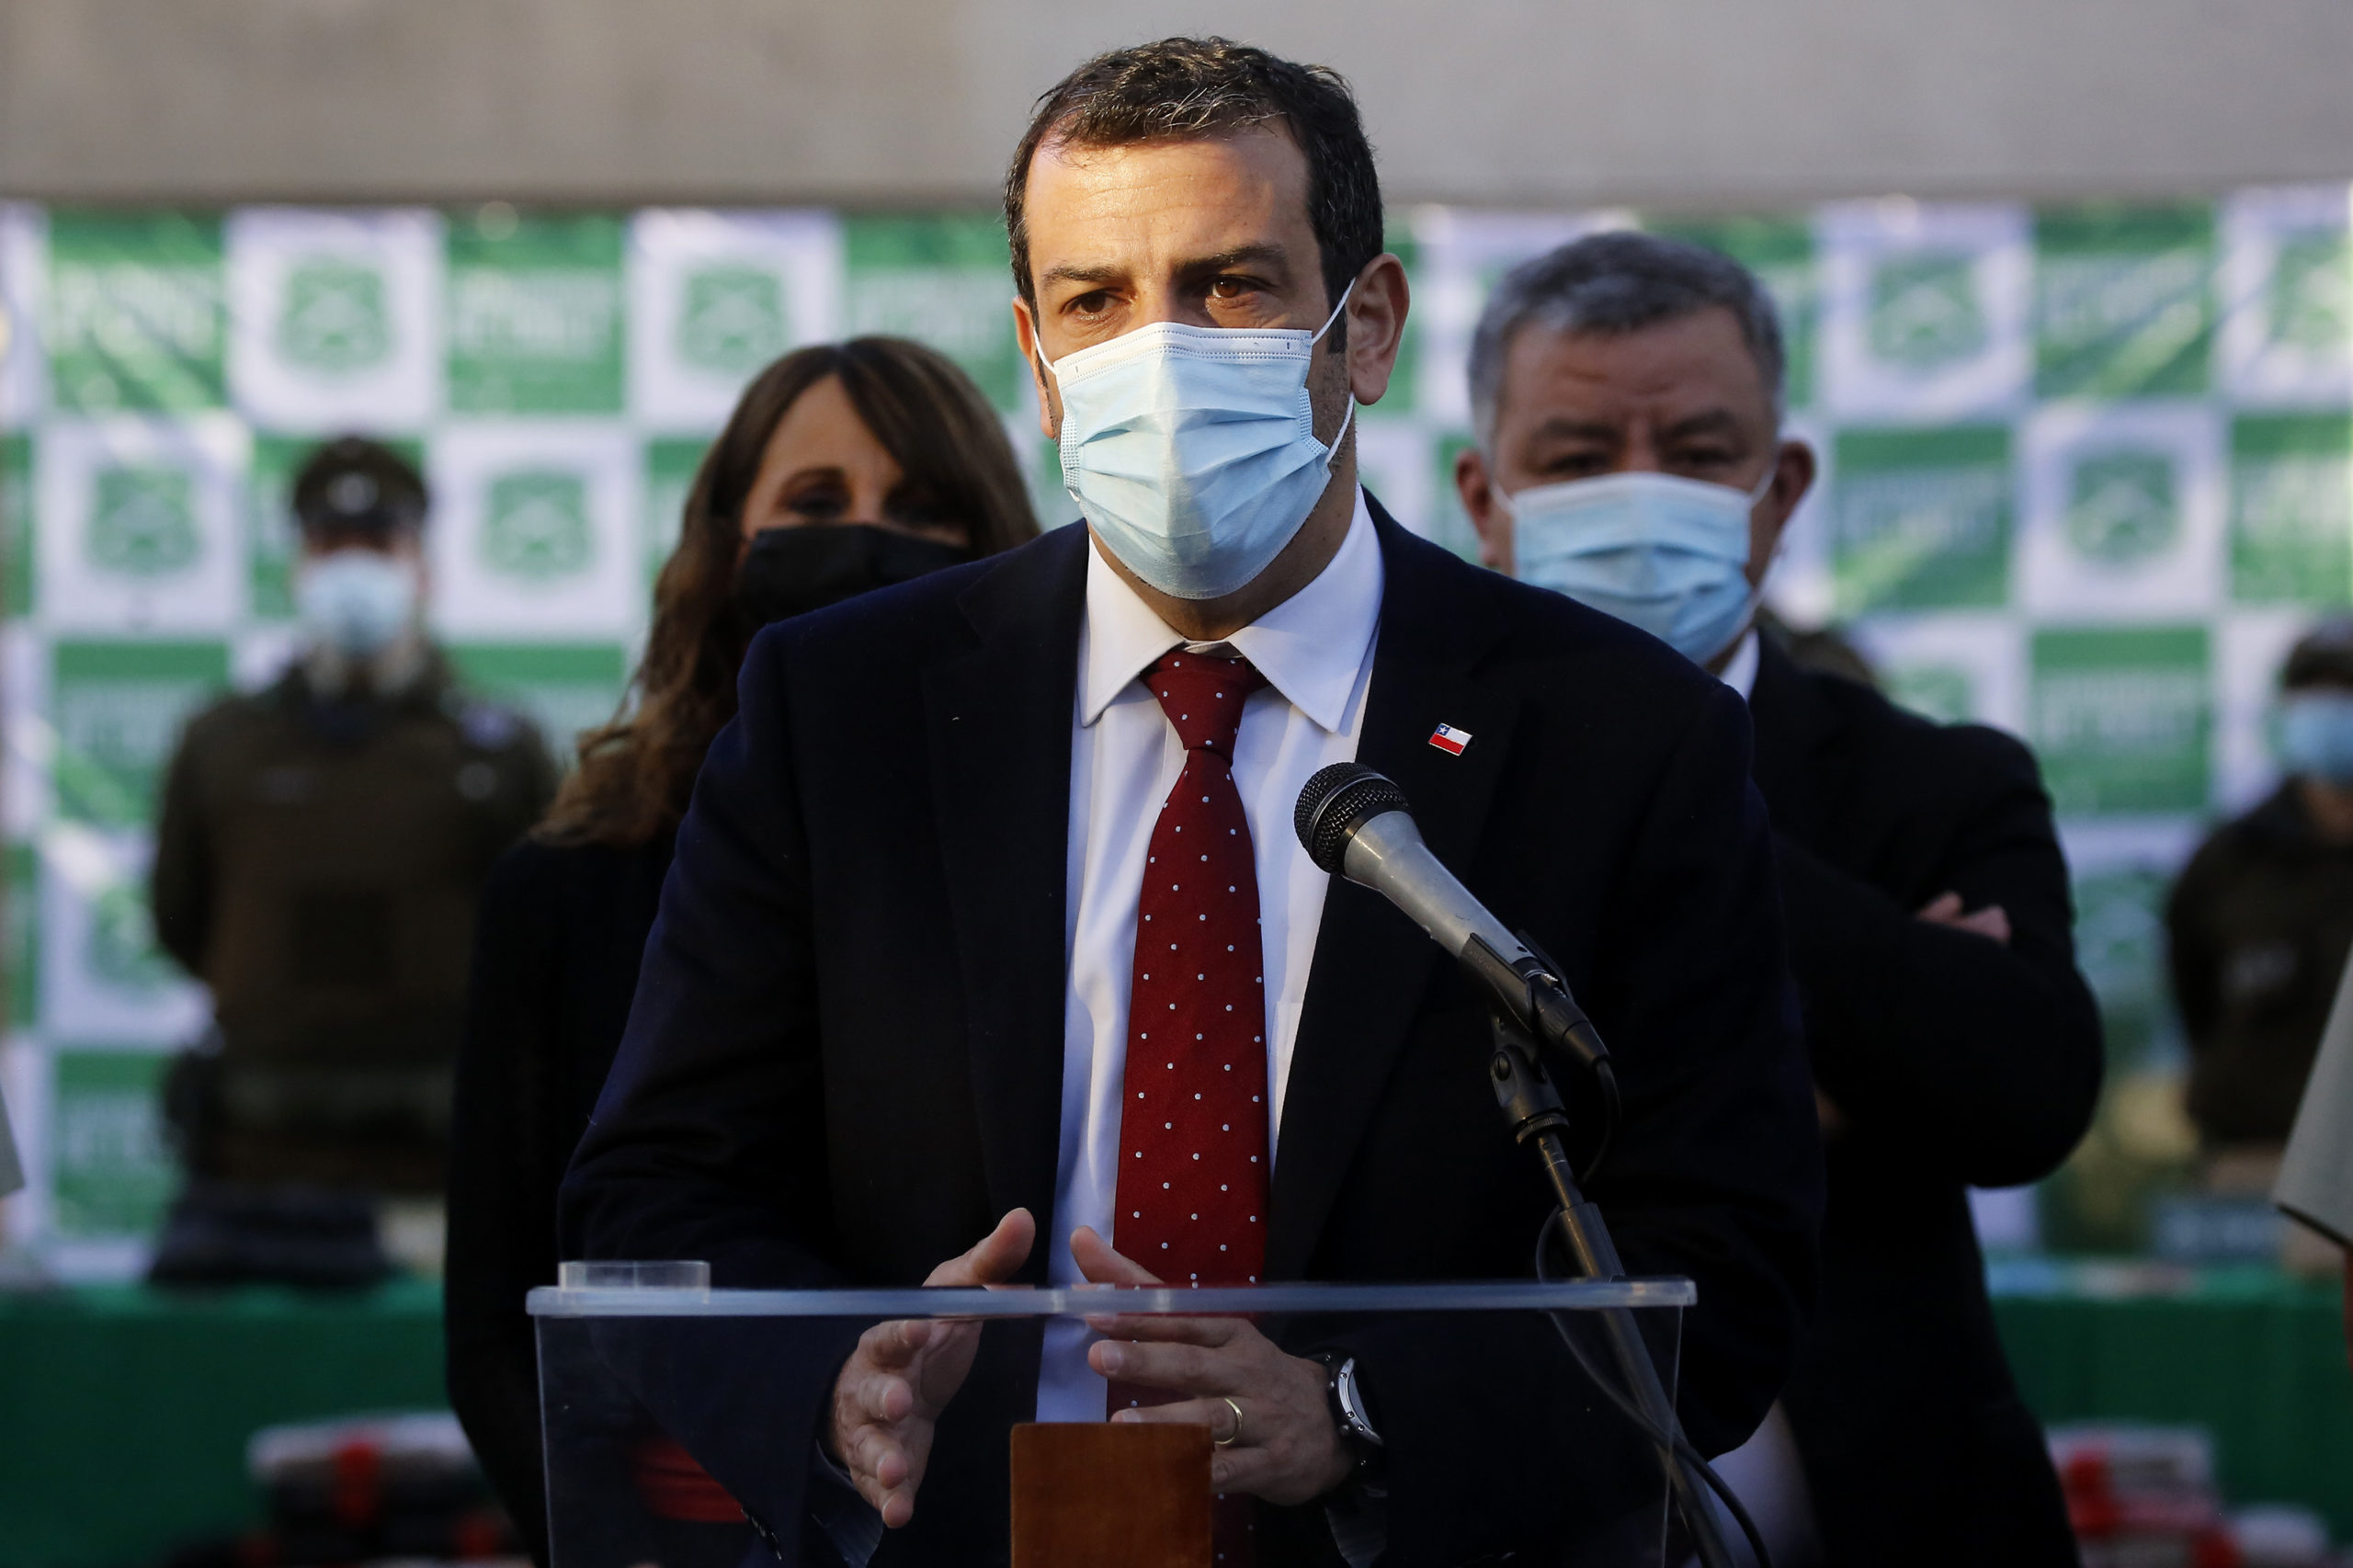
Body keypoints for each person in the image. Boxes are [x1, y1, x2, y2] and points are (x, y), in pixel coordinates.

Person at [562, 38, 1821, 1567]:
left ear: (1366, 327)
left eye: (1230, 285)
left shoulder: (1619, 732)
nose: (1155, 351)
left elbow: (1726, 1257)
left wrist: (1358, 1413)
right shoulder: (843, 709)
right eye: (1096, 300)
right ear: (1036, 361)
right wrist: (828, 1377)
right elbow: (659, 1190)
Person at [1454, 232, 2102, 1567]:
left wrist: (1673, 783)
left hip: (1895, 1515)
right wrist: (1818, 1069)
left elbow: (2022, 1093)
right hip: (1502, 1500)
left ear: (1782, 485)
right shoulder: (1409, 785)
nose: (1640, 492)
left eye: (1696, 453)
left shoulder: (1936, 781)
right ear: (1484, 495)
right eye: (1578, 458)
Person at [443, 338, 1041, 1566]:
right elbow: (502, 1323)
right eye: (816, 504)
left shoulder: (1066, 860)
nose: (866, 539)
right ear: (726, 546)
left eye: (920, 509)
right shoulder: (564, 890)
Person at [150, 437, 555, 1205]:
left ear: (421, 567)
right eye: (331, 545)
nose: (353, 568)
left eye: (378, 544)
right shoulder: (222, 744)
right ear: (299, 566)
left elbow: (544, 945)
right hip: (256, 1162)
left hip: (437, 1170)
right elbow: (181, 919)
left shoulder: (501, 752)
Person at [2169, 619, 2353, 1170]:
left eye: (2349, 690)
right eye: (2315, 691)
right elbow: (2194, 1000)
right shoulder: (2228, 860)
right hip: (2258, 1163)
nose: (2335, 710)